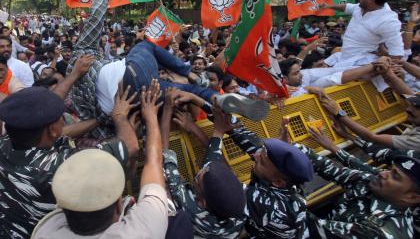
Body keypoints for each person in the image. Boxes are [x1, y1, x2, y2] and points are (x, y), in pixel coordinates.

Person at [68, 0, 269, 138]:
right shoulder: (81, 53)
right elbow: (94, 20)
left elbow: (97, 128)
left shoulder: (78, 103)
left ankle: (217, 98)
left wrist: (115, 118)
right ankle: (196, 78)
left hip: (136, 102)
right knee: (145, 46)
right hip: (133, 75)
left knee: (188, 92)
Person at [0, 57, 138, 239]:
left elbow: (44, 107)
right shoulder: (58, 167)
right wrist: (119, 116)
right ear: (53, 130)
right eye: (60, 116)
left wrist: (74, 74)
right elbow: (131, 146)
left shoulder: (7, 142)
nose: (63, 118)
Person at [31, 82, 168, 239]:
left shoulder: (46, 231)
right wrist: (148, 115)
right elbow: (152, 162)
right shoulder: (142, 231)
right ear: (118, 205)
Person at [301, 125, 420, 238]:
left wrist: (287, 183)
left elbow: (304, 226)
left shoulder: (380, 233)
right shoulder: (377, 185)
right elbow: (333, 169)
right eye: (389, 170)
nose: (382, 173)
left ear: (412, 197)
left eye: (395, 177)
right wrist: (292, 149)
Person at [214, 110, 314, 238]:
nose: (255, 156)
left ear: (278, 182)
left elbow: (214, 177)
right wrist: (201, 101)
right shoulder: (285, 180)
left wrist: (216, 133)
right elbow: (247, 139)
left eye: (261, 161)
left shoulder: (269, 204)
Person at [160, 90, 246, 238]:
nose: (203, 167)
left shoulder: (190, 206)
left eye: (199, 178)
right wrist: (195, 128)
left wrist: (167, 109)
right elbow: (216, 163)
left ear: (202, 202)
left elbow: (163, 154)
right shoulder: (237, 203)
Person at [319, 0, 403, 68]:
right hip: (344, 58)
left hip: (360, 66)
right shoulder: (360, 7)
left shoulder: (388, 21)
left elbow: (397, 54)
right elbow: (348, 7)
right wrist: (328, 6)